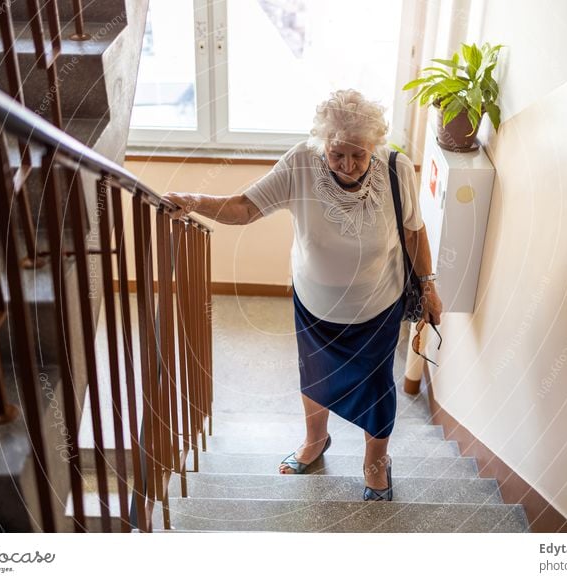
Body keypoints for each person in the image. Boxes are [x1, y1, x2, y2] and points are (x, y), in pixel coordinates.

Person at [165, 89, 442, 501]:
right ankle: (315, 442)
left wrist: (430, 285)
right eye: (337, 155)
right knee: (315, 377)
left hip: (378, 306)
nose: (347, 166)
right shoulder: (300, 162)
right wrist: (193, 201)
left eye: (358, 155)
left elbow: (413, 231)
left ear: (374, 147)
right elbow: (246, 207)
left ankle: (375, 464)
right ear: (323, 145)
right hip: (315, 304)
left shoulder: (397, 169)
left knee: (377, 387)